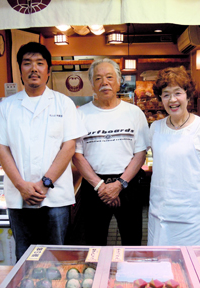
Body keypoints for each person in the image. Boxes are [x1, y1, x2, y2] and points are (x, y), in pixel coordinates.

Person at [0, 42, 87, 261]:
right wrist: (21, 185)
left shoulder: (63, 104)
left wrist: (45, 183)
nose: (33, 69)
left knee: (56, 256)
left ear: (48, 70)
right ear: (20, 71)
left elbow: (69, 147)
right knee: (24, 257)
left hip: (54, 197)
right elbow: (2, 149)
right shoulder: (6, 107)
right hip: (19, 196)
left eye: (39, 63)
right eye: (27, 63)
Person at [72, 58, 149, 246]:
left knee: (132, 241)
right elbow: (76, 155)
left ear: (118, 80)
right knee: (94, 241)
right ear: (91, 83)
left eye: (109, 77)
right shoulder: (80, 114)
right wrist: (100, 186)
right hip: (94, 185)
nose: (104, 83)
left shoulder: (134, 112)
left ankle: (130, 275)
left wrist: (120, 184)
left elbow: (140, 153)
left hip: (128, 184)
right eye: (98, 78)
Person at [148, 66, 200, 246]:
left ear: (188, 94)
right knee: (159, 267)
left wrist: (197, 195)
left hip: (192, 220)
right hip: (160, 215)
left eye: (177, 93)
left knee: (190, 267)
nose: (172, 100)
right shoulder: (155, 128)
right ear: (160, 98)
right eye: (166, 94)